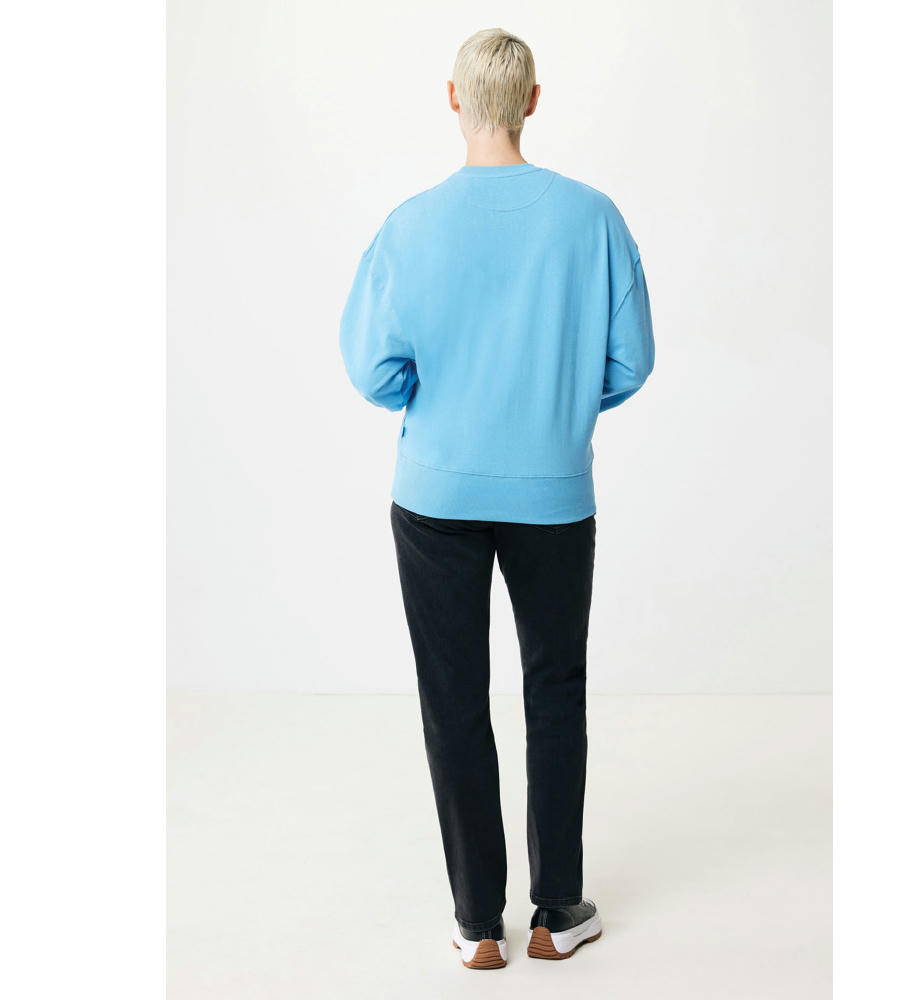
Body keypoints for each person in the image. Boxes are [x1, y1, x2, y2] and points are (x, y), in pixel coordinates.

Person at [339, 27, 655, 970]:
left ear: (453, 99)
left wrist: (439, 404)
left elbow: (372, 369)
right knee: (555, 691)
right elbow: (631, 359)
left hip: (435, 491)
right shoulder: (592, 217)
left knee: (453, 699)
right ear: (533, 100)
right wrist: (556, 406)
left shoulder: (410, 225)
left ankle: (478, 922)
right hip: (552, 493)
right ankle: (558, 910)